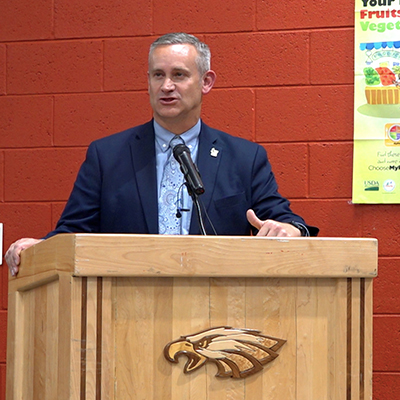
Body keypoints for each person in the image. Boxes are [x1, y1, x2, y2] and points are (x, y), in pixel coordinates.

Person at [5, 32, 319, 276]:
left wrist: (290, 229)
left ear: (206, 82)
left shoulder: (244, 158)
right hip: (126, 313)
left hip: (217, 307)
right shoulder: (107, 156)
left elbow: (284, 221)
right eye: (158, 75)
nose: (166, 86)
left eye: (179, 75)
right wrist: (42, 247)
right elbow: (73, 231)